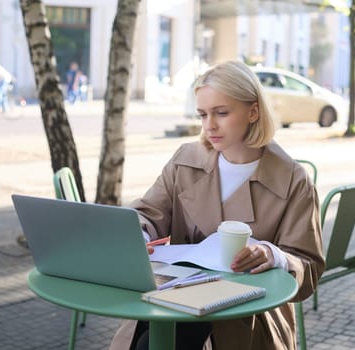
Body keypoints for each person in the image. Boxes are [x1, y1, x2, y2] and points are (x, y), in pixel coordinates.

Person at [109, 60, 325, 350]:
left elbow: (308, 268)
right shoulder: (185, 161)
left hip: (248, 314)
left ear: (253, 111)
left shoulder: (293, 180)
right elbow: (146, 214)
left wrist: (274, 255)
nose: (209, 125)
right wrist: (138, 235)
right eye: (203, 115)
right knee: (150, 340)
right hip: (173, 294)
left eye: (221, 113)